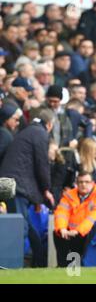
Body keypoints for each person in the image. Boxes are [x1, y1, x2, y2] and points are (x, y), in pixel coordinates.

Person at [0, 109, 56, 267]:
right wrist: (46, 189)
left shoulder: (28, 131)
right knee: (20, 227)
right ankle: (11, 264)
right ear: (50, 124)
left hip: (10, 183)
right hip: (16, 186)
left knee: (27, 225)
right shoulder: (40, 134)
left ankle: (39, 262)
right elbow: (42, 164)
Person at [53, 171, 96, 267]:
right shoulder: (69, 195)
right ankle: (63, 266)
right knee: (57, 233)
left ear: (92, 183)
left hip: (90, 234)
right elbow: (61, 213)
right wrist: (61, 228)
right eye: (80, 182)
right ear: (76, 183)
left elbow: (93, 218)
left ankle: (78, 265)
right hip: (70, 233)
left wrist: (78, 231)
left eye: (87, 182)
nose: (83, 184)